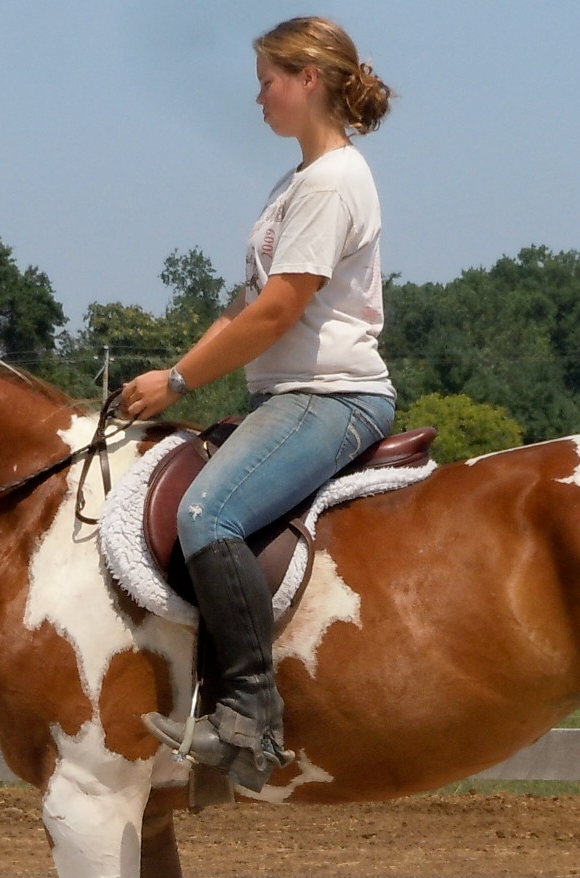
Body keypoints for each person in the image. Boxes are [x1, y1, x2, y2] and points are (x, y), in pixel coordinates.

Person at [121, 16, 396, 791]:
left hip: (329, 394)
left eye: (266, 80)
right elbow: (244, 310)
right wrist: (166, 374)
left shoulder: (336, 180)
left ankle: (248, 715)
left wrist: (177, 385)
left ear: (308, 79)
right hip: (286, 392)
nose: (257, 97)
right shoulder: (295, 186)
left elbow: (278, 313)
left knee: (208, 516)